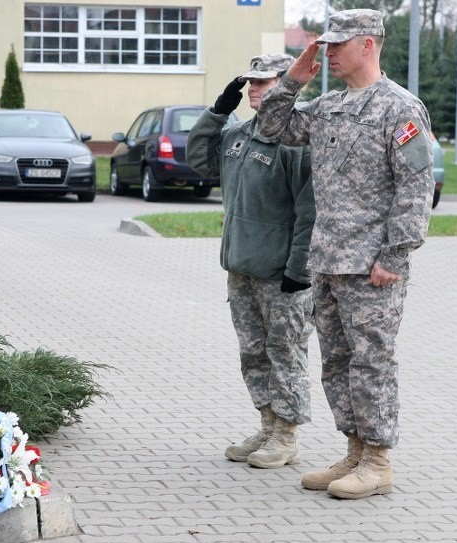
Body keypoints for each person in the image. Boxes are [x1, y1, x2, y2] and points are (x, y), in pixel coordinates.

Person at [255, 9, 434, 498]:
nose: (328, 52)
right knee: (335, 362)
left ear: (368, 45)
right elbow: (271, 126)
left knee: (372, 362)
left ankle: (378, 461)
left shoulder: (399, 107)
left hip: (372, 265)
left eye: (337, 44)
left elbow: (416, 189)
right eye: (325, 44)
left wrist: (395, 257)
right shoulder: (330, 105)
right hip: (328, 259)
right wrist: (295, 76)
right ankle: (353, 451)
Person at [186, 54, 316, 469]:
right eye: (250, 83)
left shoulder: (297, 143)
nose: (255, 89)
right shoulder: (239, 135)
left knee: (286, 353)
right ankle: (266, 422)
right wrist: (218, 111)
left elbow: (310, 213)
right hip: (241, 268)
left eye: (265, 82)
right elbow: (199, 159)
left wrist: (298, 271)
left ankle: (286, 435)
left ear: (287, 85)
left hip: (281, 275)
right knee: (253, 353)